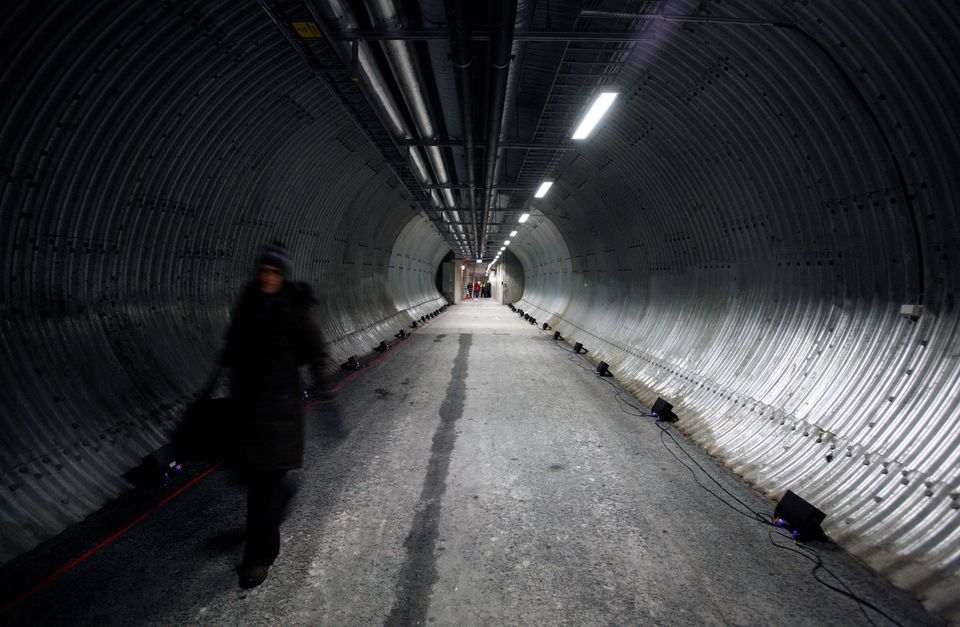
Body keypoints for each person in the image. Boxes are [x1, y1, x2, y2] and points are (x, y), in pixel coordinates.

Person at [220, 242, 327, 588]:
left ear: (283, 276)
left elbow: (315, 351)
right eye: (263, 271)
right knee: (252, 480)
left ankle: (258, 558)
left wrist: (322, 384)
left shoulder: (294, 309)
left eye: (274, 272)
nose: (267, 277)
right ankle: (282, 494)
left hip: (280, 411)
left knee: (262, 490)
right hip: (247, 408)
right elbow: (232, 345)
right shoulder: (248, 302)